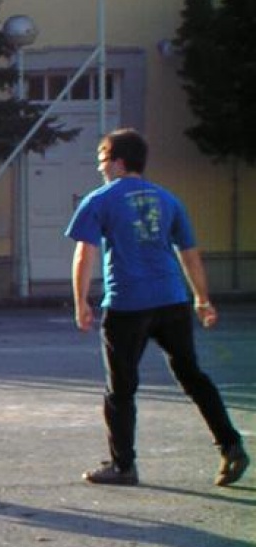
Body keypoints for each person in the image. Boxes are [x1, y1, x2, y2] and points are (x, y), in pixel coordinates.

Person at [66, 127, 247, 488]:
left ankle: (123, 466)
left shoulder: (100, 199)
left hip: (127, 304)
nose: (100, 169)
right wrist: (202, 299)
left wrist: (81, 302)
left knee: (120, 389)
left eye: (102, 161)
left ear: (118, 162)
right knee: (192, 375)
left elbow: (85, 253)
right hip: (172, 300)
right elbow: (189, 254)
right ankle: (230, 445)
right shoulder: (169, 200)